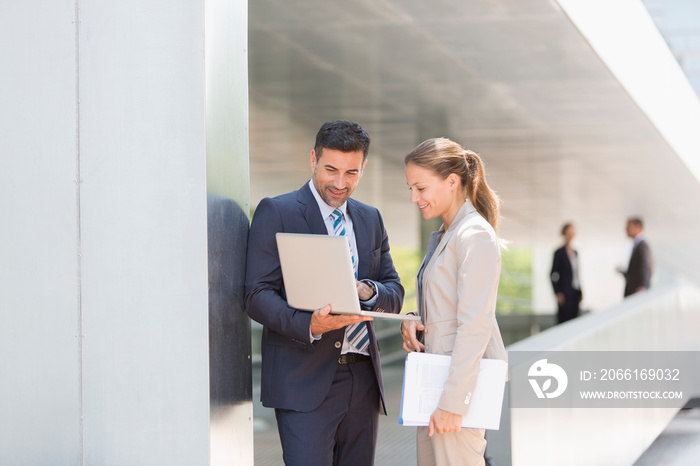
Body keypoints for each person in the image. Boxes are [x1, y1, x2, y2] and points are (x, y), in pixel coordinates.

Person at [245, 120, 404, 466]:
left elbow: (394, 290)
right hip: (304, 379)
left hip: (362, 378)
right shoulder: (278, 211)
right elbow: (256, 294)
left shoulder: (370, 219)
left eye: (351, 173)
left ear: (363, 169)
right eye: (331, 169)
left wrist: (366, 289)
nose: (339, 182)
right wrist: (310, 325)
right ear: (313, 159)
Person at [401, 137, 507, 466]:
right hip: (436, 385)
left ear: (451, 182)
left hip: (455, 394)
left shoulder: (473, 234)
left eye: (420, 188)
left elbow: (475, 324)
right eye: (410, 189)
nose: (413, 198)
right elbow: (448, 306)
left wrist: (453, 401)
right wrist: (415, 319)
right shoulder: (448, 234)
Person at [550, 223, 583, 324]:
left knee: (575, 320)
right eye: (569, 230)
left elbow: (576, 273)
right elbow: (553, 274)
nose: (571, 233)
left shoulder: (575, 252)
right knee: (564, 319)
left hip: (575, 291)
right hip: (565, 292)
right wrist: (558, 292)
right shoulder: (559, 252)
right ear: (564, 233)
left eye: (573, 231)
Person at [619, 217, 653, 297]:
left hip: (637, 291)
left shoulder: (642, 246)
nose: (626, 230)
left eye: (628, 227)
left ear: (638, 227)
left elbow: (646, 266)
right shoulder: (637, 245)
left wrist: (643, 286)